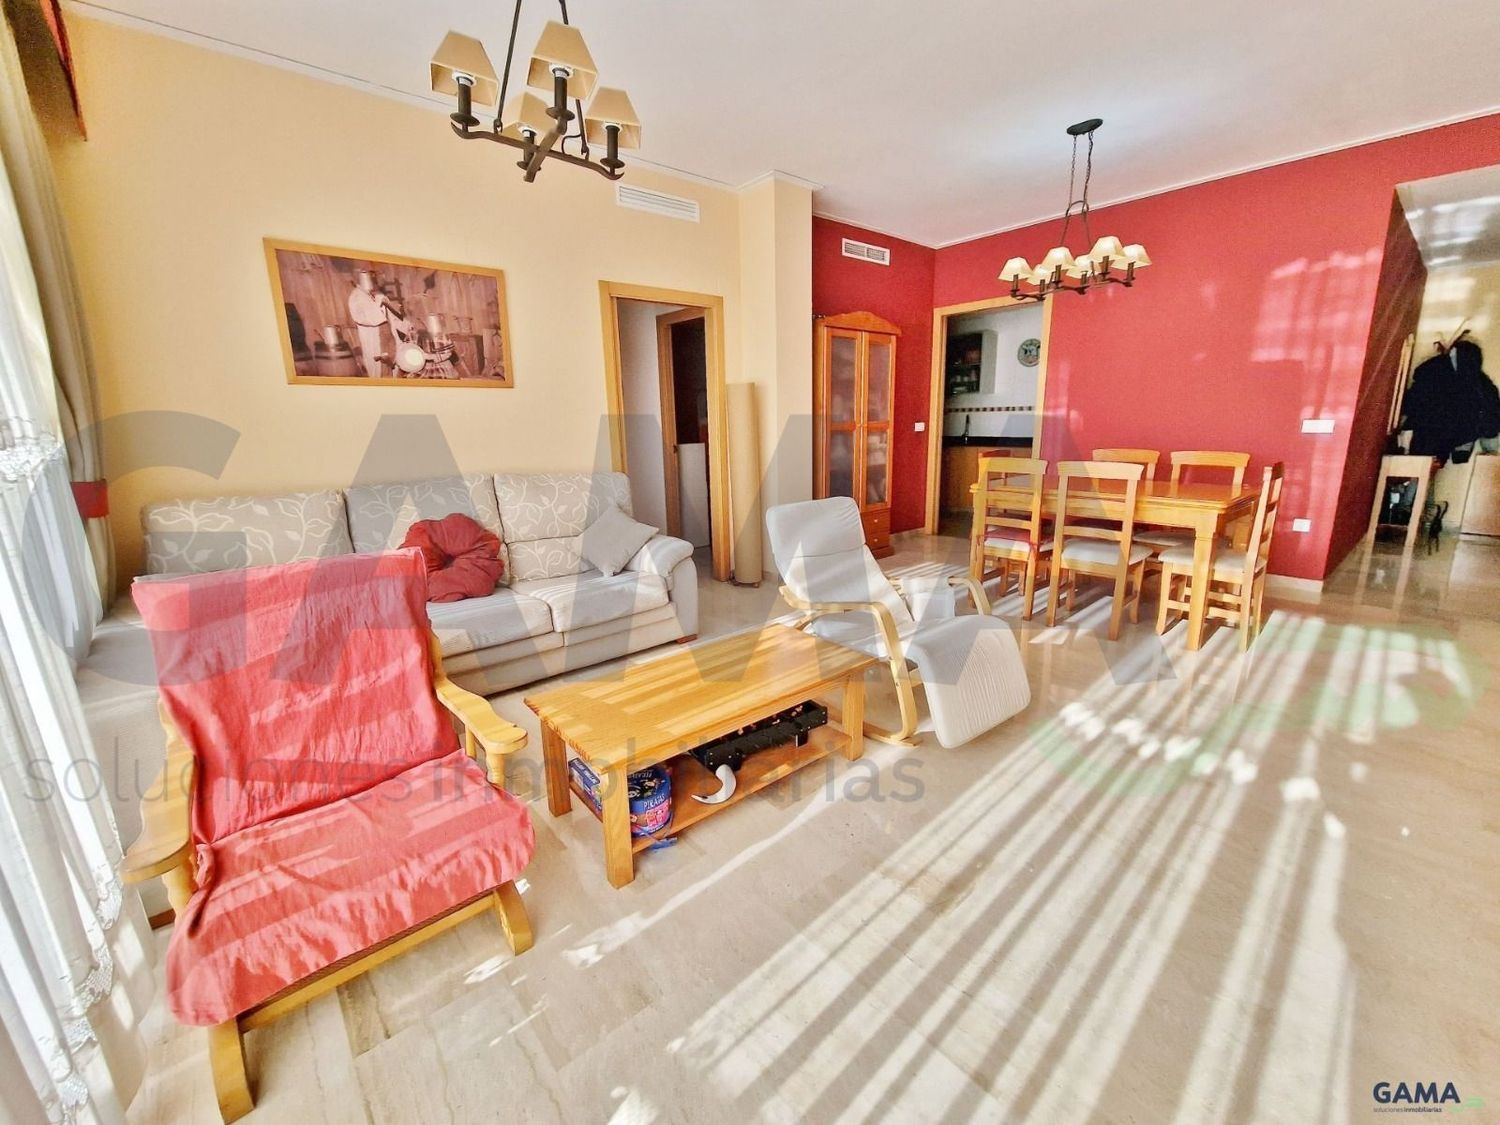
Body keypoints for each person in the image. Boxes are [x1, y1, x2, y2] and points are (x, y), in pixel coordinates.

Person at [347, 269, 396, 379]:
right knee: (374, 365)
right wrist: (379, 302)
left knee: (384, 363)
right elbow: (370, 318)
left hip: (378, 336)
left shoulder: (367, 294)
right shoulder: (357, 296)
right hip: (369, 336)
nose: (373, 282)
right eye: (370, 278)